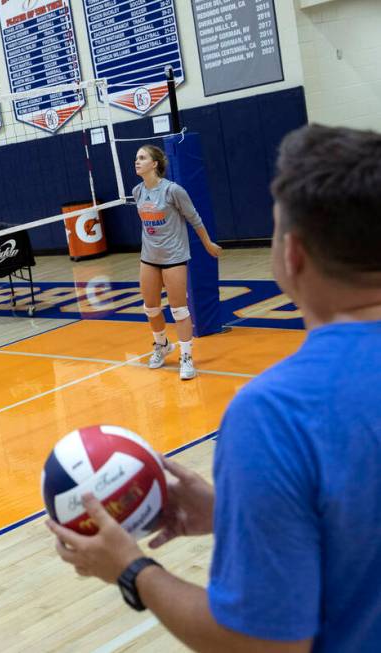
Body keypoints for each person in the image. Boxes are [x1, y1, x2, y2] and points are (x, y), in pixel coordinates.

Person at [49, 125, 381, 652]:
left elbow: (262, 646)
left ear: (290, 256)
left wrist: (130, 569)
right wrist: (237, 510)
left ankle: (179, 351)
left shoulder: (276, 413)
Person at [133, 145, 222, 380]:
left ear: (155, 164)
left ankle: (186, 357)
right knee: (151, 308)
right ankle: (162, 346)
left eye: (142, 158)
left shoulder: (173, 191)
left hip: (173, 257)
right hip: (149, 257)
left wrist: (208, 243)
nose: (137, 161)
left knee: (179, 310)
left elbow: (194, 218)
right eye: (136, 158)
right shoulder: (137, 192)